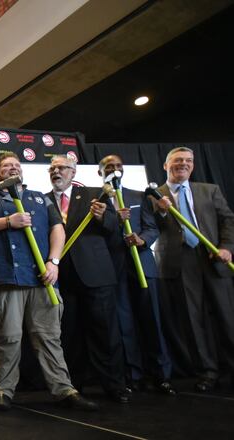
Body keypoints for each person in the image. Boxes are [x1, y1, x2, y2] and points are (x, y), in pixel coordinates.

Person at [0, 152, 98, 412]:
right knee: (8, 338)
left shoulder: (40, 198)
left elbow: (57, 228)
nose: (12, 168)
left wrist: (54, 262)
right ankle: (3, 390)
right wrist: (7, 221)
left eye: (16, 165)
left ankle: (64, 389)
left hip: (42, 279)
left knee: (50, 337)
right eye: (6, 166)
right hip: (5, 279)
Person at [46, 155, 129, 403]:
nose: (56, 171)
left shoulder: (96, 194)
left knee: (106, 332)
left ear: (73, 172)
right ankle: (75, 386)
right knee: (69, 334)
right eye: (52, 168)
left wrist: (104, 216)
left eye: (62, 168)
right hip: (63, 279)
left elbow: (115, 227)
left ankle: (114, 385)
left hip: (96, 274)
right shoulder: (43, 200)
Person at [151, 146, 234, 392]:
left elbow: (227, 220)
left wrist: (227, 247)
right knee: (193, 319)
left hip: (213, 257)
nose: (184, 164)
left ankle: (232, 366)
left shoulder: (209, 190)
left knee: (227, 316)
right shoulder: (154, 195)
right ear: (166, 165)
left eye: (188, 160)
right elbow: (152, 227)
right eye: (178, 160)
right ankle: (207, 372)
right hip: (180, 261)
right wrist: (163, 212)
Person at [98, 155, 175, 395]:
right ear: (100, 173)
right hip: (115, 269)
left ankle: (161, 375)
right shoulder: (97, 201)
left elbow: (151, 227)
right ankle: (133, 375)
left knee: (152, 319)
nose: (114, 170)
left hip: (143, 265)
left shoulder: (138, 196)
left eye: (119, 166)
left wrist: (142, 240)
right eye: (109, 167)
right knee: (124, 324)